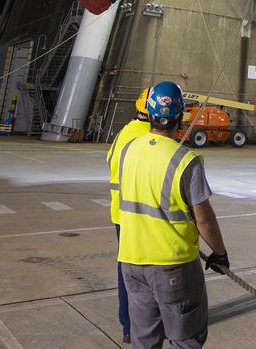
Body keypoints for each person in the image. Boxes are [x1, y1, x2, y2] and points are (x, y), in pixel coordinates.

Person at [117, 81, 227, 349]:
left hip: (131, 261)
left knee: (144, 339)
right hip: (172, 265)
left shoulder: (128, 150)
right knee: (186, 338)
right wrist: (220, 253)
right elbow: (204, 219)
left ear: (150, 114)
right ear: (181, 115)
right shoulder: (186, 161)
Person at [108, 88, 152, 344]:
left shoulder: (124, 132)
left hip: (120, 214)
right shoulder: (150, 138)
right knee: (151, 273)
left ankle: (128, 326)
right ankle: (148, 324)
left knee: (127, 271)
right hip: (142, 217)